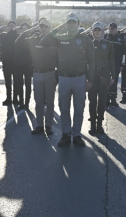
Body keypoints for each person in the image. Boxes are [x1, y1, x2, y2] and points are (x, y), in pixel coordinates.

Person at [40, 13, 94, 147]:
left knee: (79, 109)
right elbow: (44, 42)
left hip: (79, 78)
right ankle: (65, 134)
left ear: (78, 24)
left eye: (73, 22)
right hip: (63, 78)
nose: (71, 25)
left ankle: (76, 134)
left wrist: (90, 80)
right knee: (64, 108)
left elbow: (92, 62)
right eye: (68, 22)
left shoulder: (86, 40)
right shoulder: (60, 38)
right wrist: (59, 28)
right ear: (66, 24)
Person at [15, 18, 58, 135]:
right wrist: (31, 29)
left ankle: (48, 125)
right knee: (38, 102)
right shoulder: (34, 40)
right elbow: (18, 42)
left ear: (50, 29)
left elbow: (59, 59)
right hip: (37, 74)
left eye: (46, 27)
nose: (43, 29)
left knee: (49, 101)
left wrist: (57, 77)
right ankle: (39, 124)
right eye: (41, 26)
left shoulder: (54, 41)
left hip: (50, 73)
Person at [87, 22, 115, 135]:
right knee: (92, 101)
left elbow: (112, 61)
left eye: (99, 30)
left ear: (103, 31)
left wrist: (113, 76)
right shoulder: (89, 44)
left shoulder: (108, 44)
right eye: (95, 30)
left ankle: (100, 124)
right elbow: (85, 61)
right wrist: (86, 77)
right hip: (92, 74)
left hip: (104, 74)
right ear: (92, 32)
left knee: (102, 101)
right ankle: (93, 124)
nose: (97, 32)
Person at [0, 21, 19, 105]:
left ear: (15, 26)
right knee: (7, 81)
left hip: (15, 61)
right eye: (9, 26)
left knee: (16, 81)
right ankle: (8, 98)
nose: (11, 27)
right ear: (7, 27)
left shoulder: (17, 36)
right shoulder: (3, 35)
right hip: (6, 61)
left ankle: (15, 98)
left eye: (13, 25)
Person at [13, 22, 33, 111]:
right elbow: (16, 42)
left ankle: (27, 103)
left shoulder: (31, 39)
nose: (24, 30)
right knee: (19, 85)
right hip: (18, 65)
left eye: (26, 28)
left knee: (28, 85)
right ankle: (21, 103)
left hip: (28, 65)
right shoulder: (19, 38)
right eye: (23, 28)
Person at [105, 23, 124, 107]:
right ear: (108, 29)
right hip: (105, 64)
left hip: (116, 64)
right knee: (105, 81)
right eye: (111, 28)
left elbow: (124, 53)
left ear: (116, 29)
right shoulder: (105, 37)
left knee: (114, 81)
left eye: (113, 28)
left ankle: (113, 99)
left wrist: (122, 64)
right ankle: (106, 99)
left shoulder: (120, 39)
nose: (112, 30)